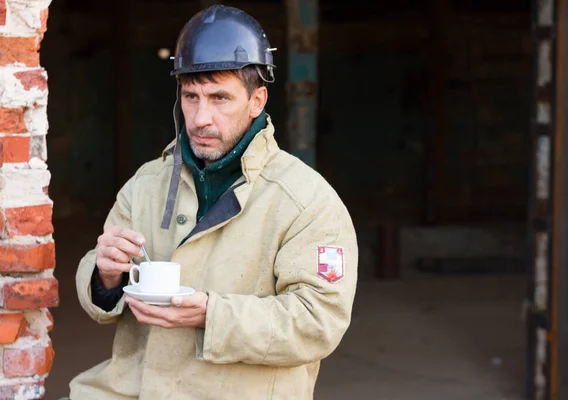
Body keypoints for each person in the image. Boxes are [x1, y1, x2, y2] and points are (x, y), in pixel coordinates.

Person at [67, 4, 358, 400]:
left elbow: (318, 322)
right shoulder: (146, 184)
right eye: (191, 96)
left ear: (257, 101)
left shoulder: (307, 200)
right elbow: (102, 290)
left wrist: (212, 315)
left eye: (220, 98)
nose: (201, 117)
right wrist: (105, 277)